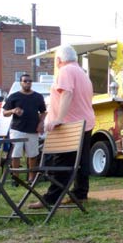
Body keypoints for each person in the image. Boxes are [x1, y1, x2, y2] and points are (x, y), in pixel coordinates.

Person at [29, 45, 96, 209]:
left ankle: (50, 198)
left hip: (69, 125)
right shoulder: (82, 73)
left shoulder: (65, 71)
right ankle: (80, 193)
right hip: (85, 123)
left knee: (62, 163)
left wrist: (59, 118)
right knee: (81, 161)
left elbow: (67, 93)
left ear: (59, 60)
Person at [2, 74, 47, 180]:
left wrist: (41, 123)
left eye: (30, 81)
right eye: (25, 81)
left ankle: (31, 178)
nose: (28, 83)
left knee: (32, 155)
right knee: (16, 154)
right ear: (20, 83)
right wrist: (13, 110)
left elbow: (43, 112)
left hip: (33, 129)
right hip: (17, 129)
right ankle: (16, 177)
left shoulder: (38, 96)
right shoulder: (14, 96)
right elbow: (4, 113)